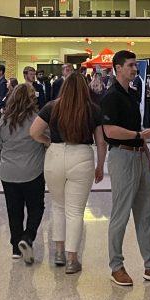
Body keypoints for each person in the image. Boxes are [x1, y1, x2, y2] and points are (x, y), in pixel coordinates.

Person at [99, 50, 150, 287]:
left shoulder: (132, 94)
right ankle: (116, 266)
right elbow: (109, 131)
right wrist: (138, 135)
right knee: (120, 214)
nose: (135, 69)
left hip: (139, 157)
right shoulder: (110, 96)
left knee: (145, 213)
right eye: (131, 65)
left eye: (135, 65)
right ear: (118, 68)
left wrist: (149, 157)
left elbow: (137, 132)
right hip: (121, 157)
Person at [30, 73, 105, 274]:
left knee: (58, 206)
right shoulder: (93, 109)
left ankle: (59, 253)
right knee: (75, 211)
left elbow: (34, 132)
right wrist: (100, 166)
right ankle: (73, 259)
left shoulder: (52, 107)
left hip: (55, 155)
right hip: (81, 156)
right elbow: (101, 142)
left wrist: (48, 141)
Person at [0, 83, 47, 264]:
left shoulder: (4, 119)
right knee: (36, 208)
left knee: (13, 209)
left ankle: (16, 248)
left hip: (8, 172)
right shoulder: (37, 119)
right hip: (32, 171)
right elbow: (46, 140)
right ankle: (27, 237)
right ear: (31, 99)